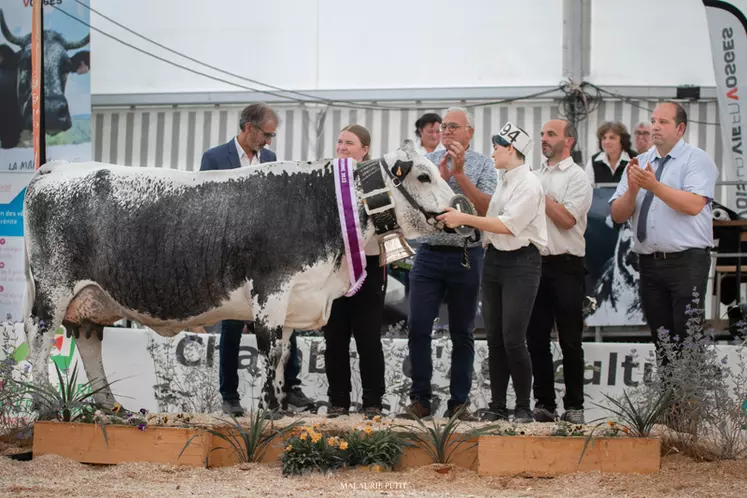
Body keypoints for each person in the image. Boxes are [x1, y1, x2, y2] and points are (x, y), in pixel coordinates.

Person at [200, 102, 315, 417]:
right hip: (231, 261)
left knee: (284, 323)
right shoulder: (213, 158)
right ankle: (229, 395)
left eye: (272, 136)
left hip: (266, 260)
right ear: (248, 127)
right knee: (232, 327)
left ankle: (287, 388)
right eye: (266, 134)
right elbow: (205, 210)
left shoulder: (271, 160)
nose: (269, 141)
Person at [438, 122, 546, 424]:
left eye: (497, 148)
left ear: (511, 149)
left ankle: (523, 405)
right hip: (496, 259)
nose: (492, 153)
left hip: (522, 263)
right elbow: (493, 217)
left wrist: (464, 218)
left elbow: (506, 224)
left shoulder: (529, 183)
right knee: (496, 337)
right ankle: (498, 404)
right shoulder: (505, 179)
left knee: (513, 337)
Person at [401, 107, 497, 420]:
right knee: (417, 327)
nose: (447, 131)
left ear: (470, 132)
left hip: (467, 255)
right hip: (428, 253)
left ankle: (458, 404)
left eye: (454, 126)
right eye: (444, 127)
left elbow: (485, 209)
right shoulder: (426, 162)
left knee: (462, 333)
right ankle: (420, 400)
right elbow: (412, 206)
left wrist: (459, 176)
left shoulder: (485, 163)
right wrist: (439, 179)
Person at [609, 101, 718, 364]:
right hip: (649, 263)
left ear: (680, 128)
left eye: (663, 122)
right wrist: (634, 189)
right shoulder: (640, 162)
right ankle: (672, 405)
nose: (655, 126)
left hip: (686, 261)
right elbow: (618, 215)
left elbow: (693, 205)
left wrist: (654, 186)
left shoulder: (697, 159)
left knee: (687, 337)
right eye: (653, 121)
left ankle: (689, 403)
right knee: (662, 340)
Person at [527, 119, 593, 424]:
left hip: (567, 265)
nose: (543, 138)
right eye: (542, 134)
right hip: (536, 264)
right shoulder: (535, 175)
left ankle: (575, 405)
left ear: (569, 141)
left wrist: (539, 194)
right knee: (536, 338)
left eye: (550, 134)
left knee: (570, 340)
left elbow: (567, 220)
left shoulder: (578, 177)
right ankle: (544, 403)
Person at [323, 124, 387, 419]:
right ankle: (338, 401)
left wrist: (388, 255)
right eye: (339, 142)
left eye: (349, 142)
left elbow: (391, 225)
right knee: (334, 336)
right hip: (335, 267)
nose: (342, 147)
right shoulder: (327, 178)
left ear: (365, 149)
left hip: (369, 265)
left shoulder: (377, 180)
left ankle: (373, 401)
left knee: (368, 337)